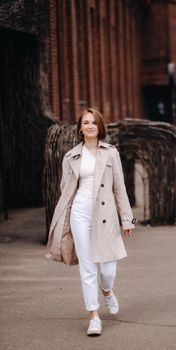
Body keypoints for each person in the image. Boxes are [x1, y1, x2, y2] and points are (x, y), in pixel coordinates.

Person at [46, 108, 136, 336]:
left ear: (99, 127)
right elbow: (65, 190)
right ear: (80, 128)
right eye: (85, 123)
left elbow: (119, 189)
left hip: (105, 215)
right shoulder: (71, 157)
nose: (89, 126)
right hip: (80, 212)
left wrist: (127, 219)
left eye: (93, 122)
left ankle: (106, 290)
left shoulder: (111, 153)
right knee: (87, 267)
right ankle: (94, 316)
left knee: (108, 268)